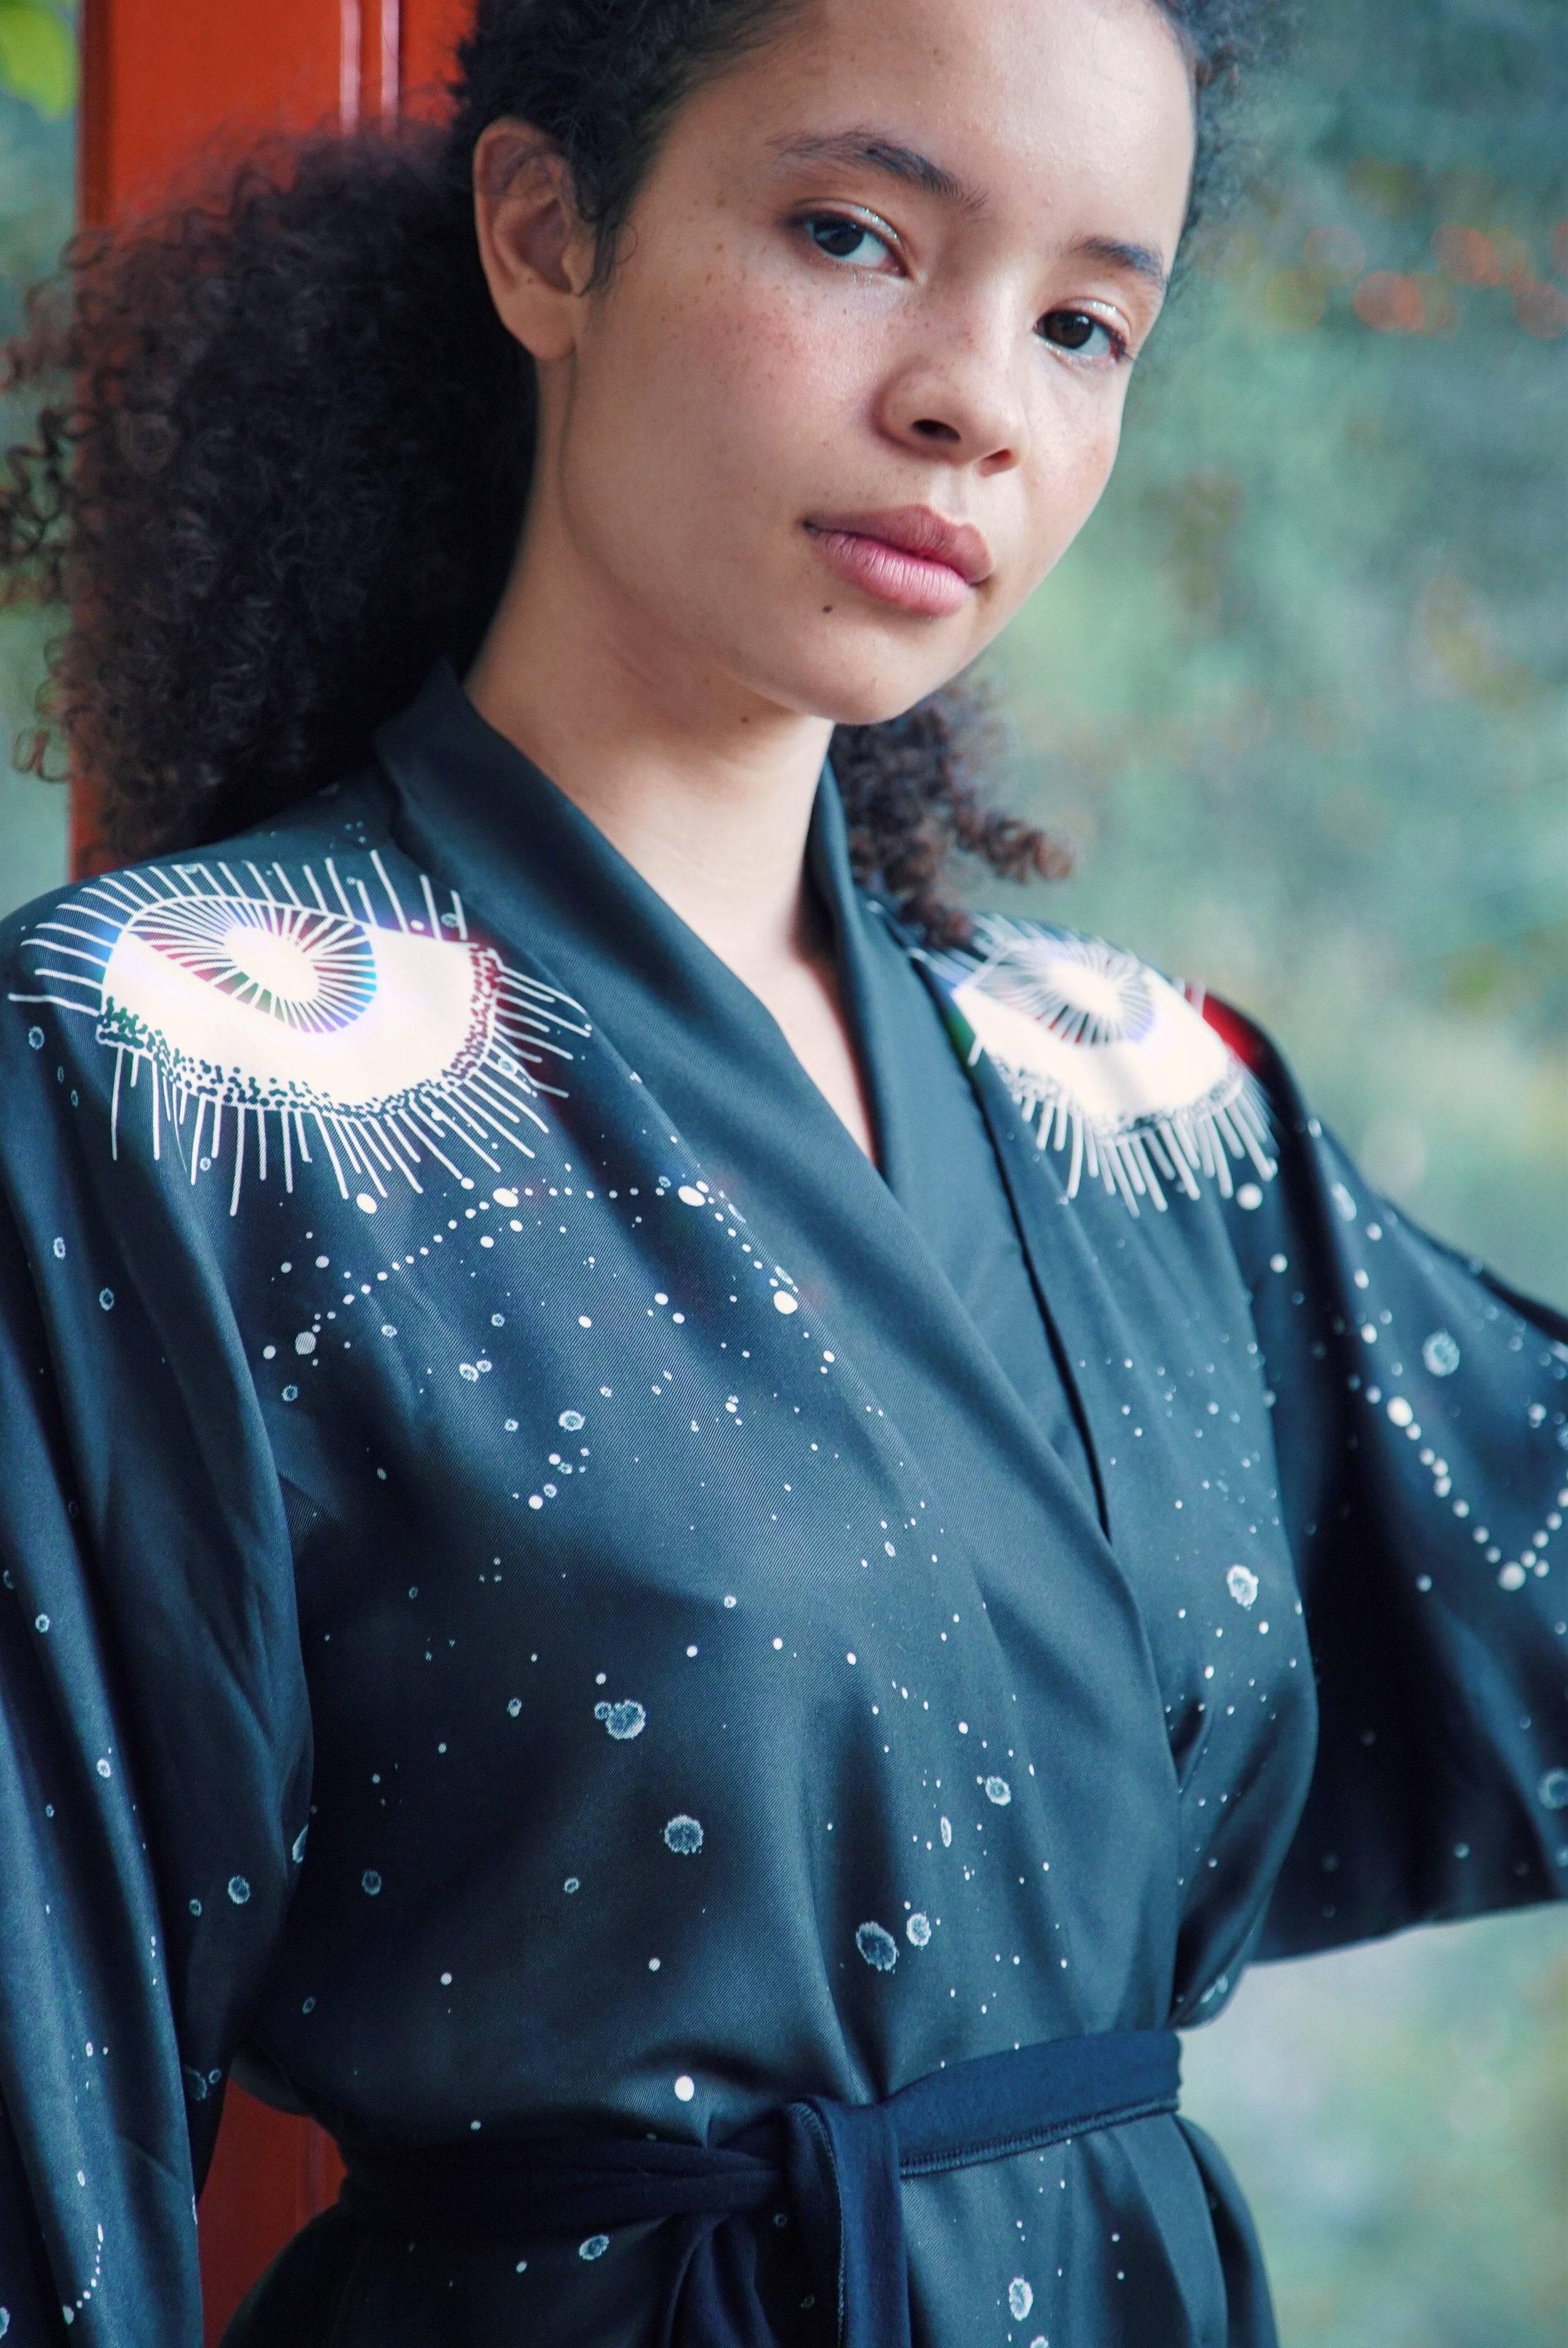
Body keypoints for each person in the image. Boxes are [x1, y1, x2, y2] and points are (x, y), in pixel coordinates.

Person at [0, 0, 1562, 2340]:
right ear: (547, 233)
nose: (978, 398)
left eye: (1082, 321)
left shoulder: (1130, 1097)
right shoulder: (160, 1065)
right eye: (854, 232)